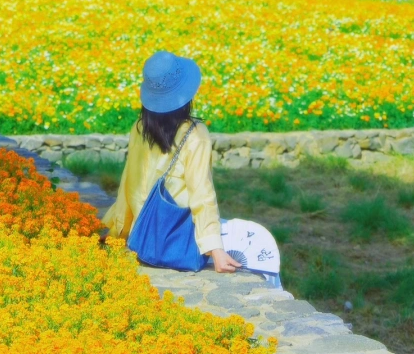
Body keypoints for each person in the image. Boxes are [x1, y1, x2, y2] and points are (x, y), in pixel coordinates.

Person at [104, 51, 281, 285]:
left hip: (141, 236)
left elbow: (129, 184)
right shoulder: (194, 134)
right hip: (177, 239)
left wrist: (119, 230)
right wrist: (215, 249)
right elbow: (202, 194)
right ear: (185, 95)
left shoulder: (139, 128)